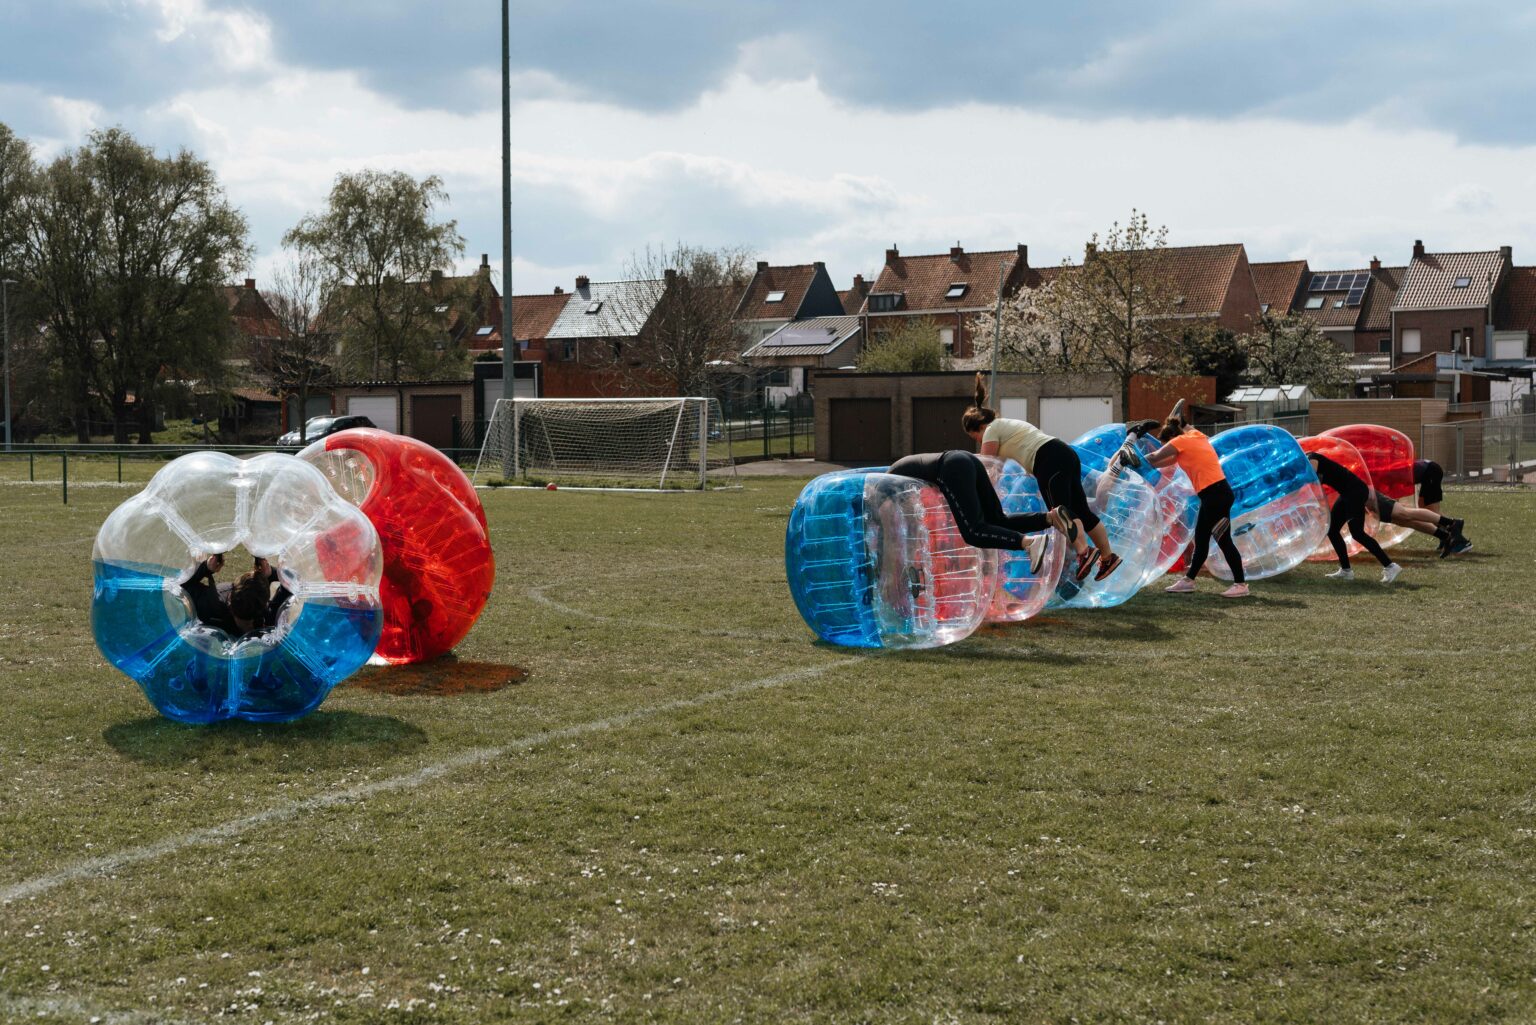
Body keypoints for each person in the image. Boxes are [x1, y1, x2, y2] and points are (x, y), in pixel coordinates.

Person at [960, 374, 1123, 583]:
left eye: (975, 437)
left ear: (979, 427)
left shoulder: (991, 429)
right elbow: (1000, 466)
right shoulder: (1007, 425)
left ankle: (1085, 552)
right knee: (1082, 511)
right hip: (1064, 454)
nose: (978, 440)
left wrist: (979, 494)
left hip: (1048, 461)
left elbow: (988, 465)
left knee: (1060, 512)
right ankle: (1108, 557)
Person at [1123, 403, 1249, 598]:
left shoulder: (1181, 441)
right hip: (1214, 495)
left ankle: (1240, 584)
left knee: (1224, 540)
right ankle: (1188, 581)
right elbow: (1162, 460)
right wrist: (1141, 462)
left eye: (1166, 445)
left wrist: (1132, 459)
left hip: (1215, 496)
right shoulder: (1195, 437)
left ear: (1172, 440)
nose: (1166, 448)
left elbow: (1155, 457)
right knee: (1201, 540)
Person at [886, 450, 1051, 570]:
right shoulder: (897, 471)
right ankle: (1050, 518)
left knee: (973, 532)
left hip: (951, 468)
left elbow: (897, 525)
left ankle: (1029, 543)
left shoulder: (886, 487)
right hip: (966, 459)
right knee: (996, 520)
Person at [1304, 450, 1402, 583]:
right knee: (1332, 530)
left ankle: (1390, 566)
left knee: (1357, 533)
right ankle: (1346, 571)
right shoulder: (1306, 464)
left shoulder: (1312, 457)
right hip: (1346, 493)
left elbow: (1313, 477)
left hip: (1355, 491)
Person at [1366, 489, 1471, 557]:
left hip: (1367, 498)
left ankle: (1451, 523)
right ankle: (1446, 537)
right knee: (1404, 521)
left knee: (1404, 513)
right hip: (1364, 505)